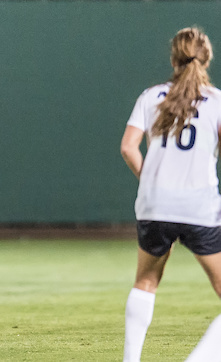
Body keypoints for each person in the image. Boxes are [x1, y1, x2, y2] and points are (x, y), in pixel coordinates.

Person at [120, 27, 221, 361]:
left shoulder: (152, 96)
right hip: (198, 205)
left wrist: (151, 179)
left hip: (155, 204)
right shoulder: (216, 101)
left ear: (173, 58)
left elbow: (128, 147)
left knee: (145, 282)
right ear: (206, 58)